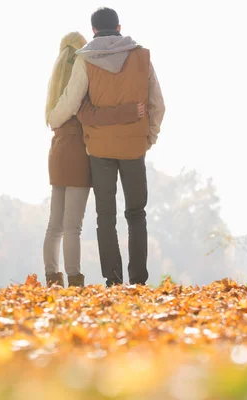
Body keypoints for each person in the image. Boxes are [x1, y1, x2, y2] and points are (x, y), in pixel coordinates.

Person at [47, 8, 166, 287]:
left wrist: (53, 119)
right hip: (134, 148)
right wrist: (149, 137)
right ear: (119, 26)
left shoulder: (85, 60)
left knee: (106, 216)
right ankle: (138, 281)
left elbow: (71, 101)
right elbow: (157, 104)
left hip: (99, 150)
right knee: (136, 214)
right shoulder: (141, 56)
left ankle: (113, 280)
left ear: (94, 31)